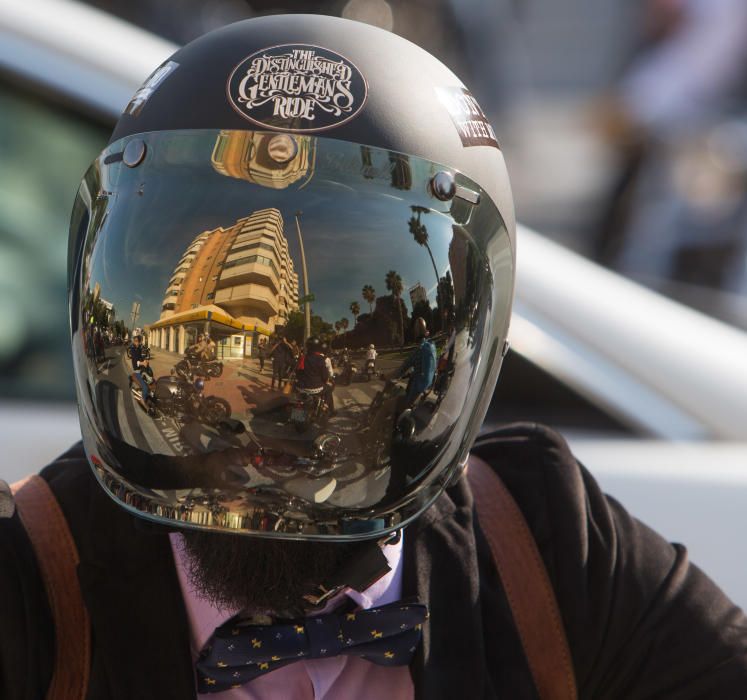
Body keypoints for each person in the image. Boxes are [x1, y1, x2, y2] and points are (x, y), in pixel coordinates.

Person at [2, 14, 746, 700]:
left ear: (455, 343)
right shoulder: (26, 576)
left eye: (333, 327)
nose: (263, 409)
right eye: (213, 336)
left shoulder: (545, 549)